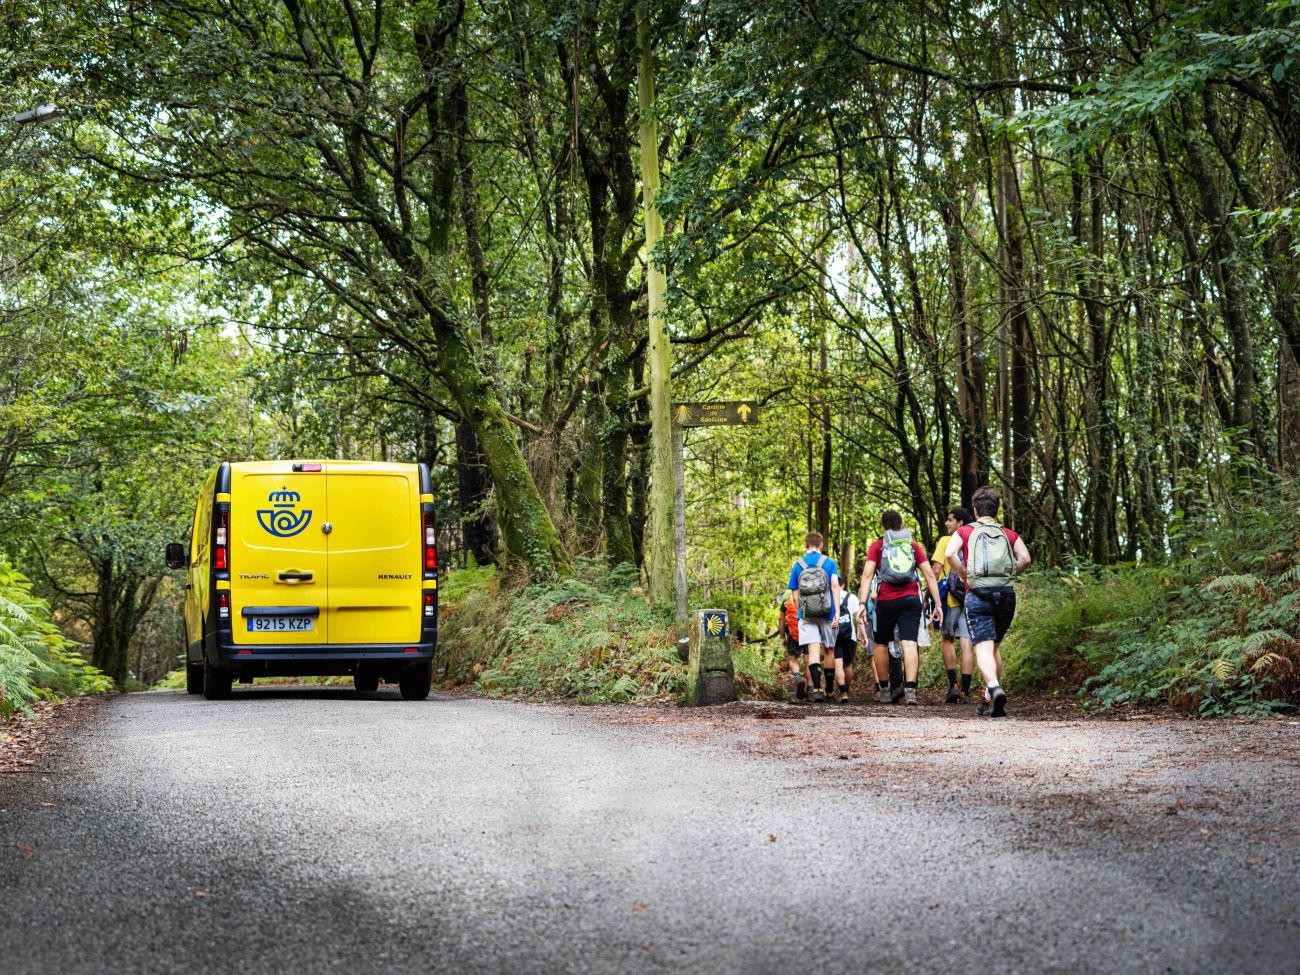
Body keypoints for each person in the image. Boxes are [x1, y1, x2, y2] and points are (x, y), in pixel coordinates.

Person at [945, 485, 1031, 718]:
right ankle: (988, 697)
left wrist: (962, 573)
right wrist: (1010, 575)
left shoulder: (964, 532)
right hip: (1005, 595)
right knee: (995, 647)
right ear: (996, 510)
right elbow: (1025, 558)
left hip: (978, 594)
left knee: (983, 646)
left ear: (974, 510)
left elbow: (949, 554)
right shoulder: (1008, 533)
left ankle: (993, 686)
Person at [856, 511, 942, 705]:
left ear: (882, 527)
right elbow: (929, 574)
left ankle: (885, 690)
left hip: (886, 600)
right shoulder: (912, 545)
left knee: (880, 643)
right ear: (901, 525)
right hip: (911, 599)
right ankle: (911, 691)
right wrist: (938, 604)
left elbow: (867, 574)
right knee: (909, 643)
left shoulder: (878, 545)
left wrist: (862, 603)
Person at [784, 531, 842, 704]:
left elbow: (794, 594)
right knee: (829, 650)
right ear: (821, 545)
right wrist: (837, 611)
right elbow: (834, 586)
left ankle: (816, 690)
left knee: (814, 650)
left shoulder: (798, 565)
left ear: (805, 545)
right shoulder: (829, 562)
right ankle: (830, 690)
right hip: (827, 612)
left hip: (807, 615)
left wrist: (801, 611)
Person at [932, 507, 975, 703]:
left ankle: (954, 686)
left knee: (947, 640)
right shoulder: (973, 540)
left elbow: (935, 571)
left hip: (949, 600)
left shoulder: (945, 541)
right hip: (970, 597)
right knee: (967, 644)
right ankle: (966, 692)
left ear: (960, 523)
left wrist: (930, 598)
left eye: (951, 520)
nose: (947, 524)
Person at [831, 587, 865, 703]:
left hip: (834, 634)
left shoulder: (829, 595)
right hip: (850, 636)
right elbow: (858, 618)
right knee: (848, 664)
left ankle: (843, 691)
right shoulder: (852, 597)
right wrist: (863, 634)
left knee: (838, 663)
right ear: (843, 585)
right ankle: (847, 690)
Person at [778, 591, 806, 700]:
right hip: (809, 629)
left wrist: (782, 636)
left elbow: (781, 618)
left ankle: (798, 678)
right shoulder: (811, 590)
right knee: (809, 659)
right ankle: (811, 689)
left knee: (793, 659)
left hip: (792, 631)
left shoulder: (786, 595)